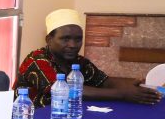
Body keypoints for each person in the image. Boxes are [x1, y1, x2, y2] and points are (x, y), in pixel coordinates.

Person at [14, 8, 162, 107]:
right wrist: (123, 94)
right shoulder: (37, 60)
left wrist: (133, 87)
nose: (73, 45)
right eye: (65, 39)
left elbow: (105, 82)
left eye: (78, 39)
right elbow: (67, 91)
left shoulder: (79, 62)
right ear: (49, 40)